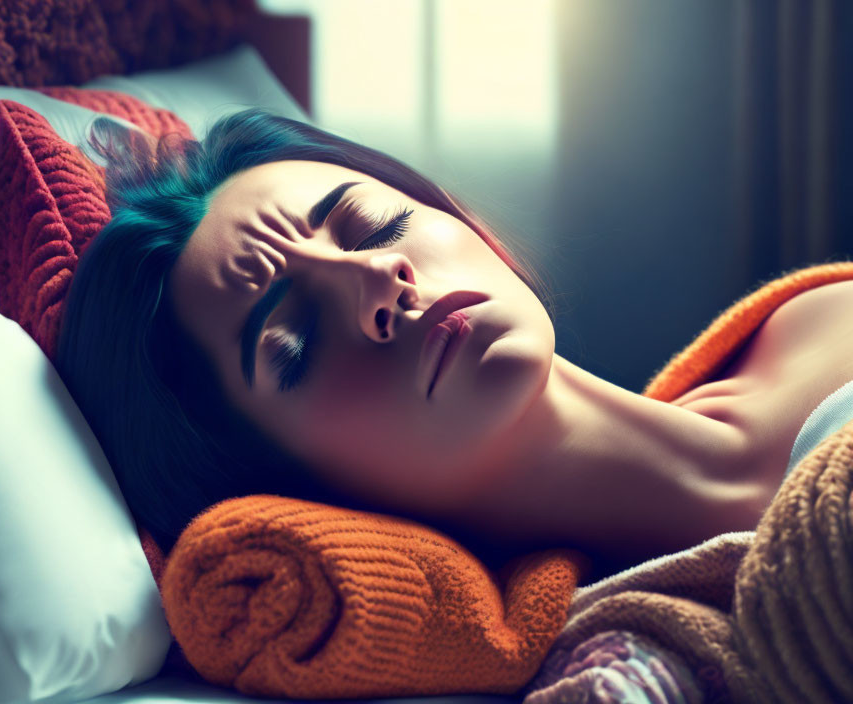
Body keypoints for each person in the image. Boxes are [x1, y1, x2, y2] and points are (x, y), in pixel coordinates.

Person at [57, 108, 771, 577]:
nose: (377, 276)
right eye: (295, 342)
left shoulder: (818, 315)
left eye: (375, 225)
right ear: (287, 490)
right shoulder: (624, 655)